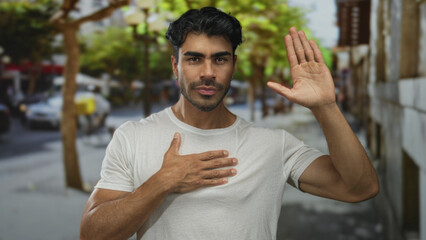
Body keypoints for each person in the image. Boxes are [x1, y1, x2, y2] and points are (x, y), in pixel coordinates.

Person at [80, 7, 379, 240]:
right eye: (194, 59)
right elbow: (92, 234)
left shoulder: (274, 144)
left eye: (220, 60)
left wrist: (325, 107)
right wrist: (162, 182)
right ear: (175, 65)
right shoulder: (132, 136)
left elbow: (360, 188)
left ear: (233, 65)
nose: (208, 72)